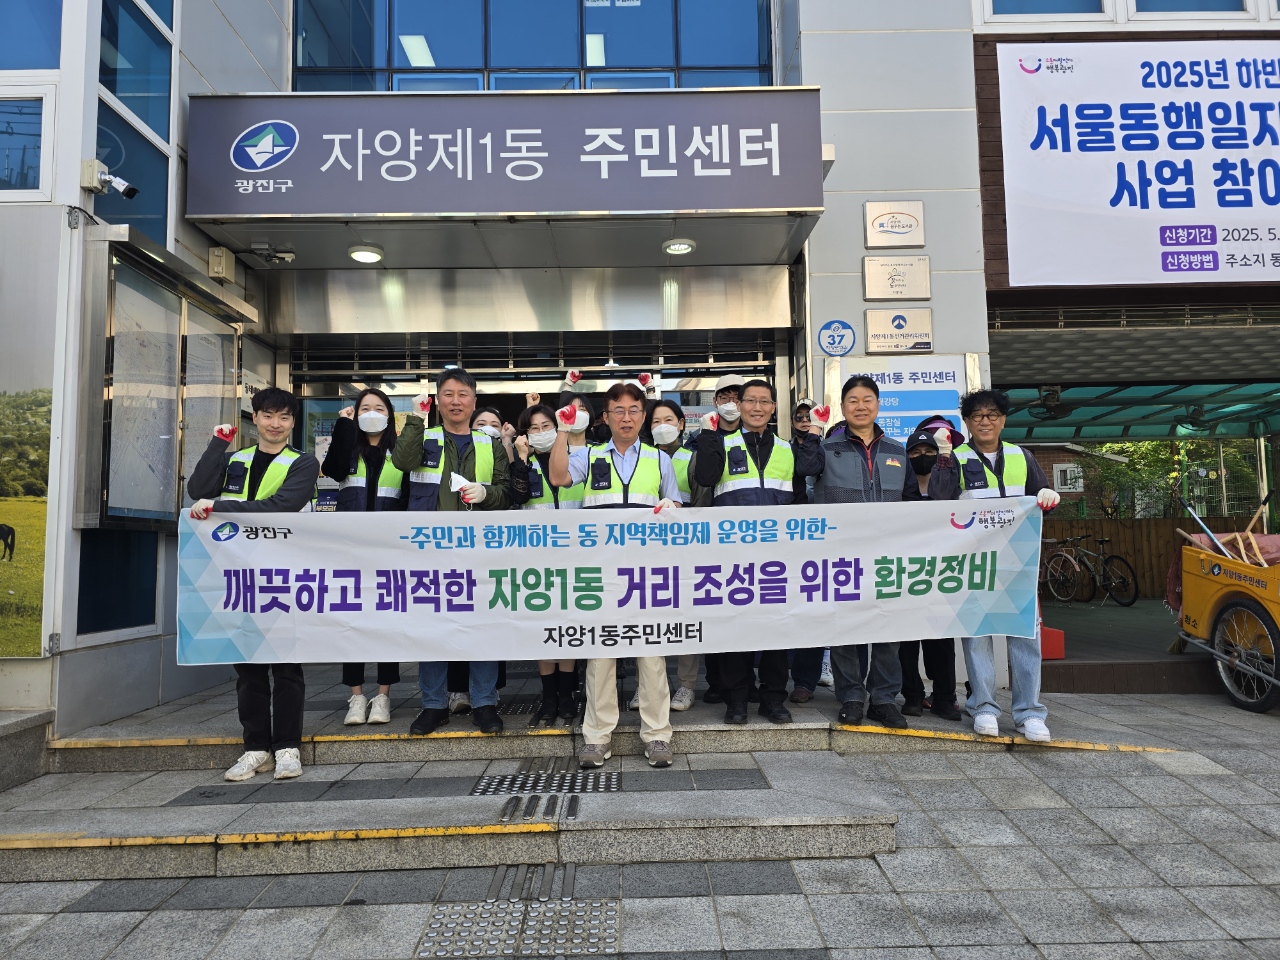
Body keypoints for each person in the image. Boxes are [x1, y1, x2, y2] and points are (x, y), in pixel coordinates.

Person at [187, 387, 320, 782]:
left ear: (292, 422)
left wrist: (219, 507)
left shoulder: (303, 462)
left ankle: (288, 748)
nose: (275, 424)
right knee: (248, 666)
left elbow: (281, 507)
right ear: (255, 418)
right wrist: (218, 444)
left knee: (287, 666)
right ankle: (255, 748)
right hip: (238, 574)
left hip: (283, 572)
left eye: (284, 417)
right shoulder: (236, 460)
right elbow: (198, 490)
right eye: (268, 415)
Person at [550, 382, 682, 769]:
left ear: (644, 415)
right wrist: (562, 429)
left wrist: (671, 508)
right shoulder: (588, 455)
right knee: (600, 656)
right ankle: (596, 737)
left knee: (651, 655)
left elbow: (676, 506)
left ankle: (657, 736)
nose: (627, 417)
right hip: (601, 572)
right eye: (618, 410)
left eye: (634, 410)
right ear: (605, 417)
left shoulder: (659, 460)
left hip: (646, 573)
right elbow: (557, 477)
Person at [929, 388, 1060, 743]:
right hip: (973, 563)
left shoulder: (1022, 456)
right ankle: (983, 707)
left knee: (1025, 638)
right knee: (976, 637)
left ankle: (1029, 713)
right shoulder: (955, 457)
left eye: (992, 415)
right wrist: (943, 456)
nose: (984, 421)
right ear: (967, 422)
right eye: (977, 416)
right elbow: (939, 499)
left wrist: (1048, 496)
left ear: (1003, 420)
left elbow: (1042, 498)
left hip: (1018, 562)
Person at [694, 379, 824, 725]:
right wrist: (708, 435)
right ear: (738, 405)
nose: (756, 407)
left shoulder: (786, 448)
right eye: (749, 400)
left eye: (764, 401)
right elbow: (705, 477)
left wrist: (814, 433)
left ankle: (772, 699)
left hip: (776, 558)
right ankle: (736, 700)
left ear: (773, 408)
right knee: (735, 629)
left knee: (776, 630)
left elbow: (802, 491)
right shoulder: (721, 443)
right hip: (732, 556)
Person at [391, 369, 511, 736]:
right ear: (438, 400)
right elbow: (402, 462)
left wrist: (486, 494)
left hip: (480, 550)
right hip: (430, 550)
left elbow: (506, 492)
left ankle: (484, 702)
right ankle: (433, 705)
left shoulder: (489, 444)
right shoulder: (424, 436)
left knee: (483, 625)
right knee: (432, 627)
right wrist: (415, 418)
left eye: (462, 394)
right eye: (448, 394)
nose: (455, 401)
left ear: (474, 401)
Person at [812, 375, 919, 730]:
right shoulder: (826, 450)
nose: (861, 406)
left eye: (867, 399)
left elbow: (911, 503)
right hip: (842, 554)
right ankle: (852, 697)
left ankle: (884, 699)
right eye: (853, 400)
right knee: (845, 628)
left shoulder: (897, 451)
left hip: (889, 555)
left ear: (878, 404)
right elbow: (807, 489)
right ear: (843, 408)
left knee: (888, 628)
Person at [321, 387, 407, 726]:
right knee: (352, 623)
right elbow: (333, 469)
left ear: (389, 415)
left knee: (387, 623)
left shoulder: (399, 453)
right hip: (351, 550)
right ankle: (356, 696)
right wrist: (343, 427)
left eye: (379, 408)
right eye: (364, 408)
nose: (372, 413)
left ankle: (383, 695)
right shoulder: (349, 448)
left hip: (389, 551)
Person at [510, 403, 582, 723]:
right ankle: (548, 696)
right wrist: (522, 458)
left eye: (546, 426)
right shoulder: (522, 462)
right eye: (533, 428)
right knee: (544, 628)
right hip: (536, 559)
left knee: (568, 626)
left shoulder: (577, 457)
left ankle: (566, 695)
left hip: (575, 556)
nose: (540, 433)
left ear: (557, 427)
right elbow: (518, 497)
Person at [896, 425, 962, 722]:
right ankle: (912, 696)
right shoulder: (899, 491)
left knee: (942, 642)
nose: (922, 456)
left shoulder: (951, 486)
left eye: (929, 451)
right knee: (906, 641)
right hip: (905, 573)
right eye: (915, 452)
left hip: (942, 573)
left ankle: (945, 698)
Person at [645, 399, 697, 712]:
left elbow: (701, 502)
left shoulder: (692, 457)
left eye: (668, 420)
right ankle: (651, 686)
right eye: (655, 421)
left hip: (684, 548)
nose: (662, 426)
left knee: (684, 618)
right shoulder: (642, 457)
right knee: (649, 619)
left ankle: (686, 685)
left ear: (681, 424)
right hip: (648, 549)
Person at [787, 399, 831, 704]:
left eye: (810, 416)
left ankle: (821, 672)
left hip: (828, 537)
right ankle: (801, 679)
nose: (805, 421)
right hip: (793, 539)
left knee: (821, 608)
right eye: (800, 417)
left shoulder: (832, 449)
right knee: (799, 609)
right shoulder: (783, 450)